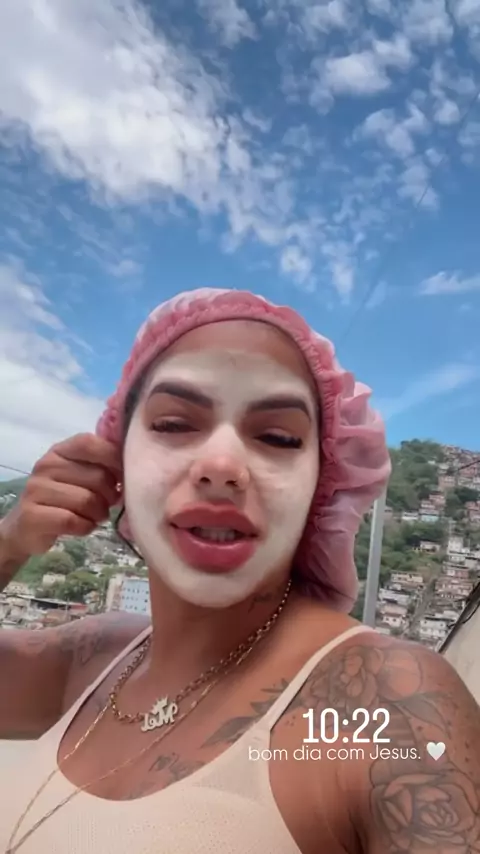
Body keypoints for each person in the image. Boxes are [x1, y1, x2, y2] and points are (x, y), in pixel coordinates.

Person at [0, 287, 479, 854]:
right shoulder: (91, 658)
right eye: (174, 423)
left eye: (278, 437)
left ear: (322, 487)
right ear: (117, 461)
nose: (222, 466)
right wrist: (10, 541)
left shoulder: (389, 702)